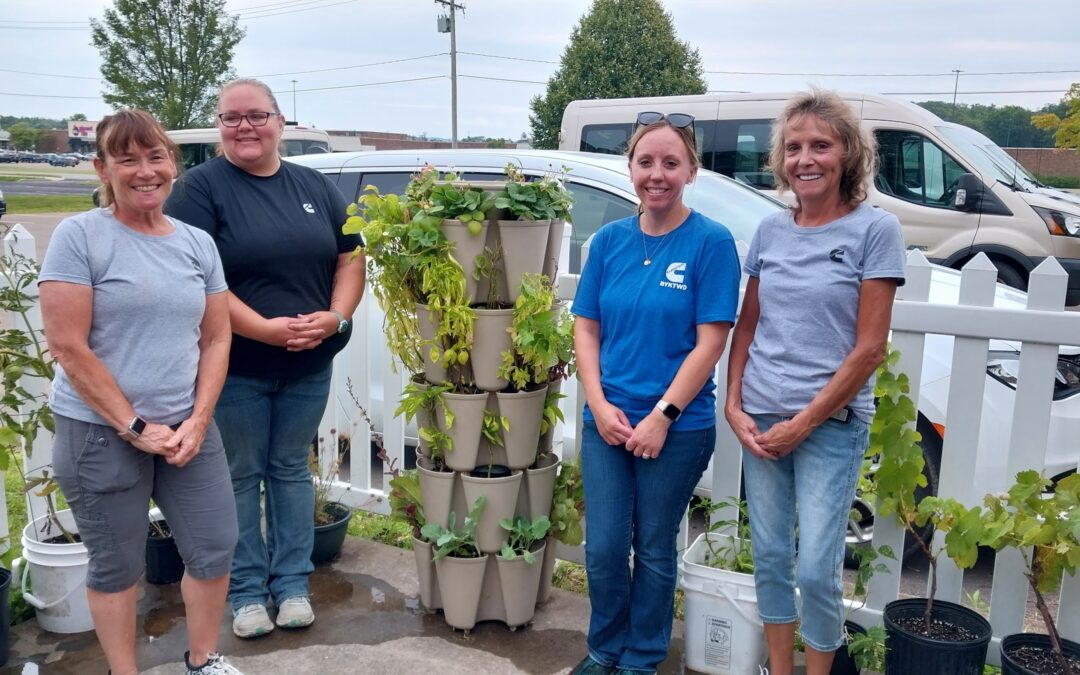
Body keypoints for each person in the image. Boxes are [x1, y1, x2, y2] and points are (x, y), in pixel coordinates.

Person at [39, 109, 241, 675]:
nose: (144, 171)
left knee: (215, 545)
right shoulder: (80, 236)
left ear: (172, 165)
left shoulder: (197, 243)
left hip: (187, 428)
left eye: (155, 157)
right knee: (117, 565)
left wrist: (199, 419)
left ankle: (202, 660)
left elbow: (216, 335)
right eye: (127, 159)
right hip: (101, 434)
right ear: (103, 168)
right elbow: (69, 346)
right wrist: (135, 427)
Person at [164, 77, 365, 638]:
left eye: (256, 115)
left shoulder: (314, 186)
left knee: (289, 471)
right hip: (236, 369)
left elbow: (350, 258)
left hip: (308, 365)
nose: (244, 127)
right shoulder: (199, 190)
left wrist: (336, 318)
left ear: (280, 122)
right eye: (231, 118)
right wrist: (265, 331)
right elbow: (200, 279)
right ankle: (248, 593)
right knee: (240, 475)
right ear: (219, 127)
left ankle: (293, 585)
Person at [724, 89, 906, 675]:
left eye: (821, 146)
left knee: (815, 565)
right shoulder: (771, 232)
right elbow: (746, 326)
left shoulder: (875, 231)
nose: (806, 159)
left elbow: (869, 348)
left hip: (829, 424)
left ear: (848, 155)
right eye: (795, 147)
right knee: (772, 557)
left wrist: (804, 421)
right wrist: (733, 404)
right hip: (761, 420)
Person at [570, 111, 741, 675]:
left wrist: (663, 415)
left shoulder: (710, 243)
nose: (657, 174)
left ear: (691, 170)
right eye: (646, 162)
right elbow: (587, 327)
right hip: (608, 420)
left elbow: (709, 342)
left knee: (655, 547)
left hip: (677, 429)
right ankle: (605, 650)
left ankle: (642, 658)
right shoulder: (608, 242)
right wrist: (597, 404)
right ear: (631, 168)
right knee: (602, 549)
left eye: (671, 162)